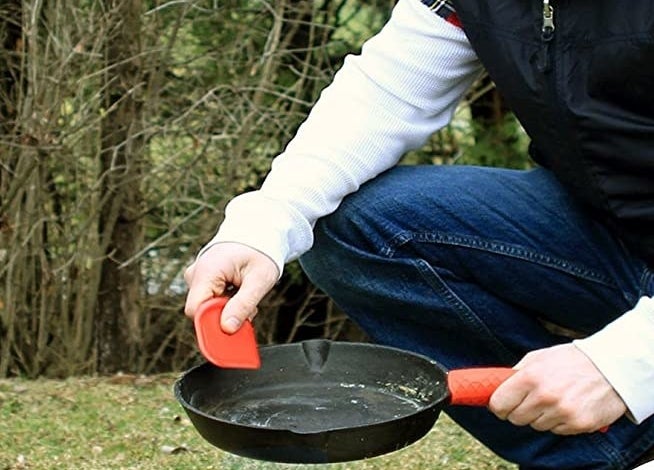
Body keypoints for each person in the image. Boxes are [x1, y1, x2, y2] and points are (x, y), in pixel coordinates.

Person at [183, 0, 654, 468]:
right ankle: (610, 456)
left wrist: (629, 363)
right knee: (364, 226)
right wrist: (263, 224)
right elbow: (391, 90)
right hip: (615, 237)